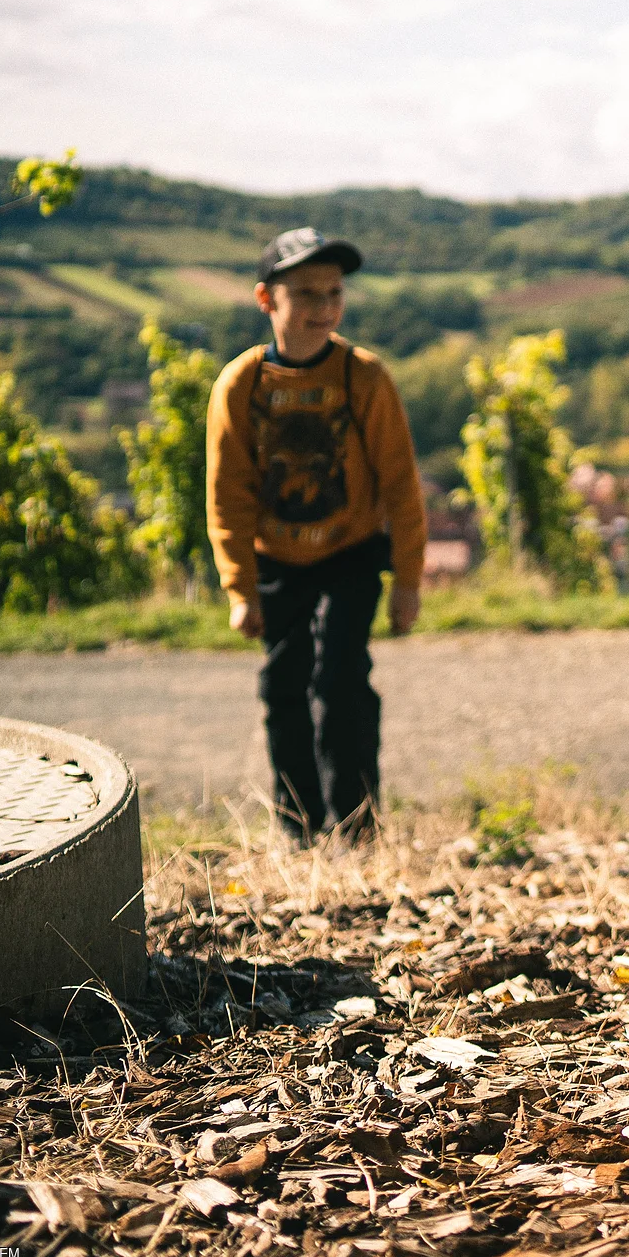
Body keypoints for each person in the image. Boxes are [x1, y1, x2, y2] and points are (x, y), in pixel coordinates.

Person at [206, 227, 427, 843]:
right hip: (276, 560)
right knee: (284, 686)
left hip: (352, 553)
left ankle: (356, 828)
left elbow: (402, 488)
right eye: (304, 293)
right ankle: (298, 828)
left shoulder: (365, 378)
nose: (322, 307)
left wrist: (407, 581)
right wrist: (239, 588)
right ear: (265, 300)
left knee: (339, 680)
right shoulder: (242, 386)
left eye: (333, 292)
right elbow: (227, 495)